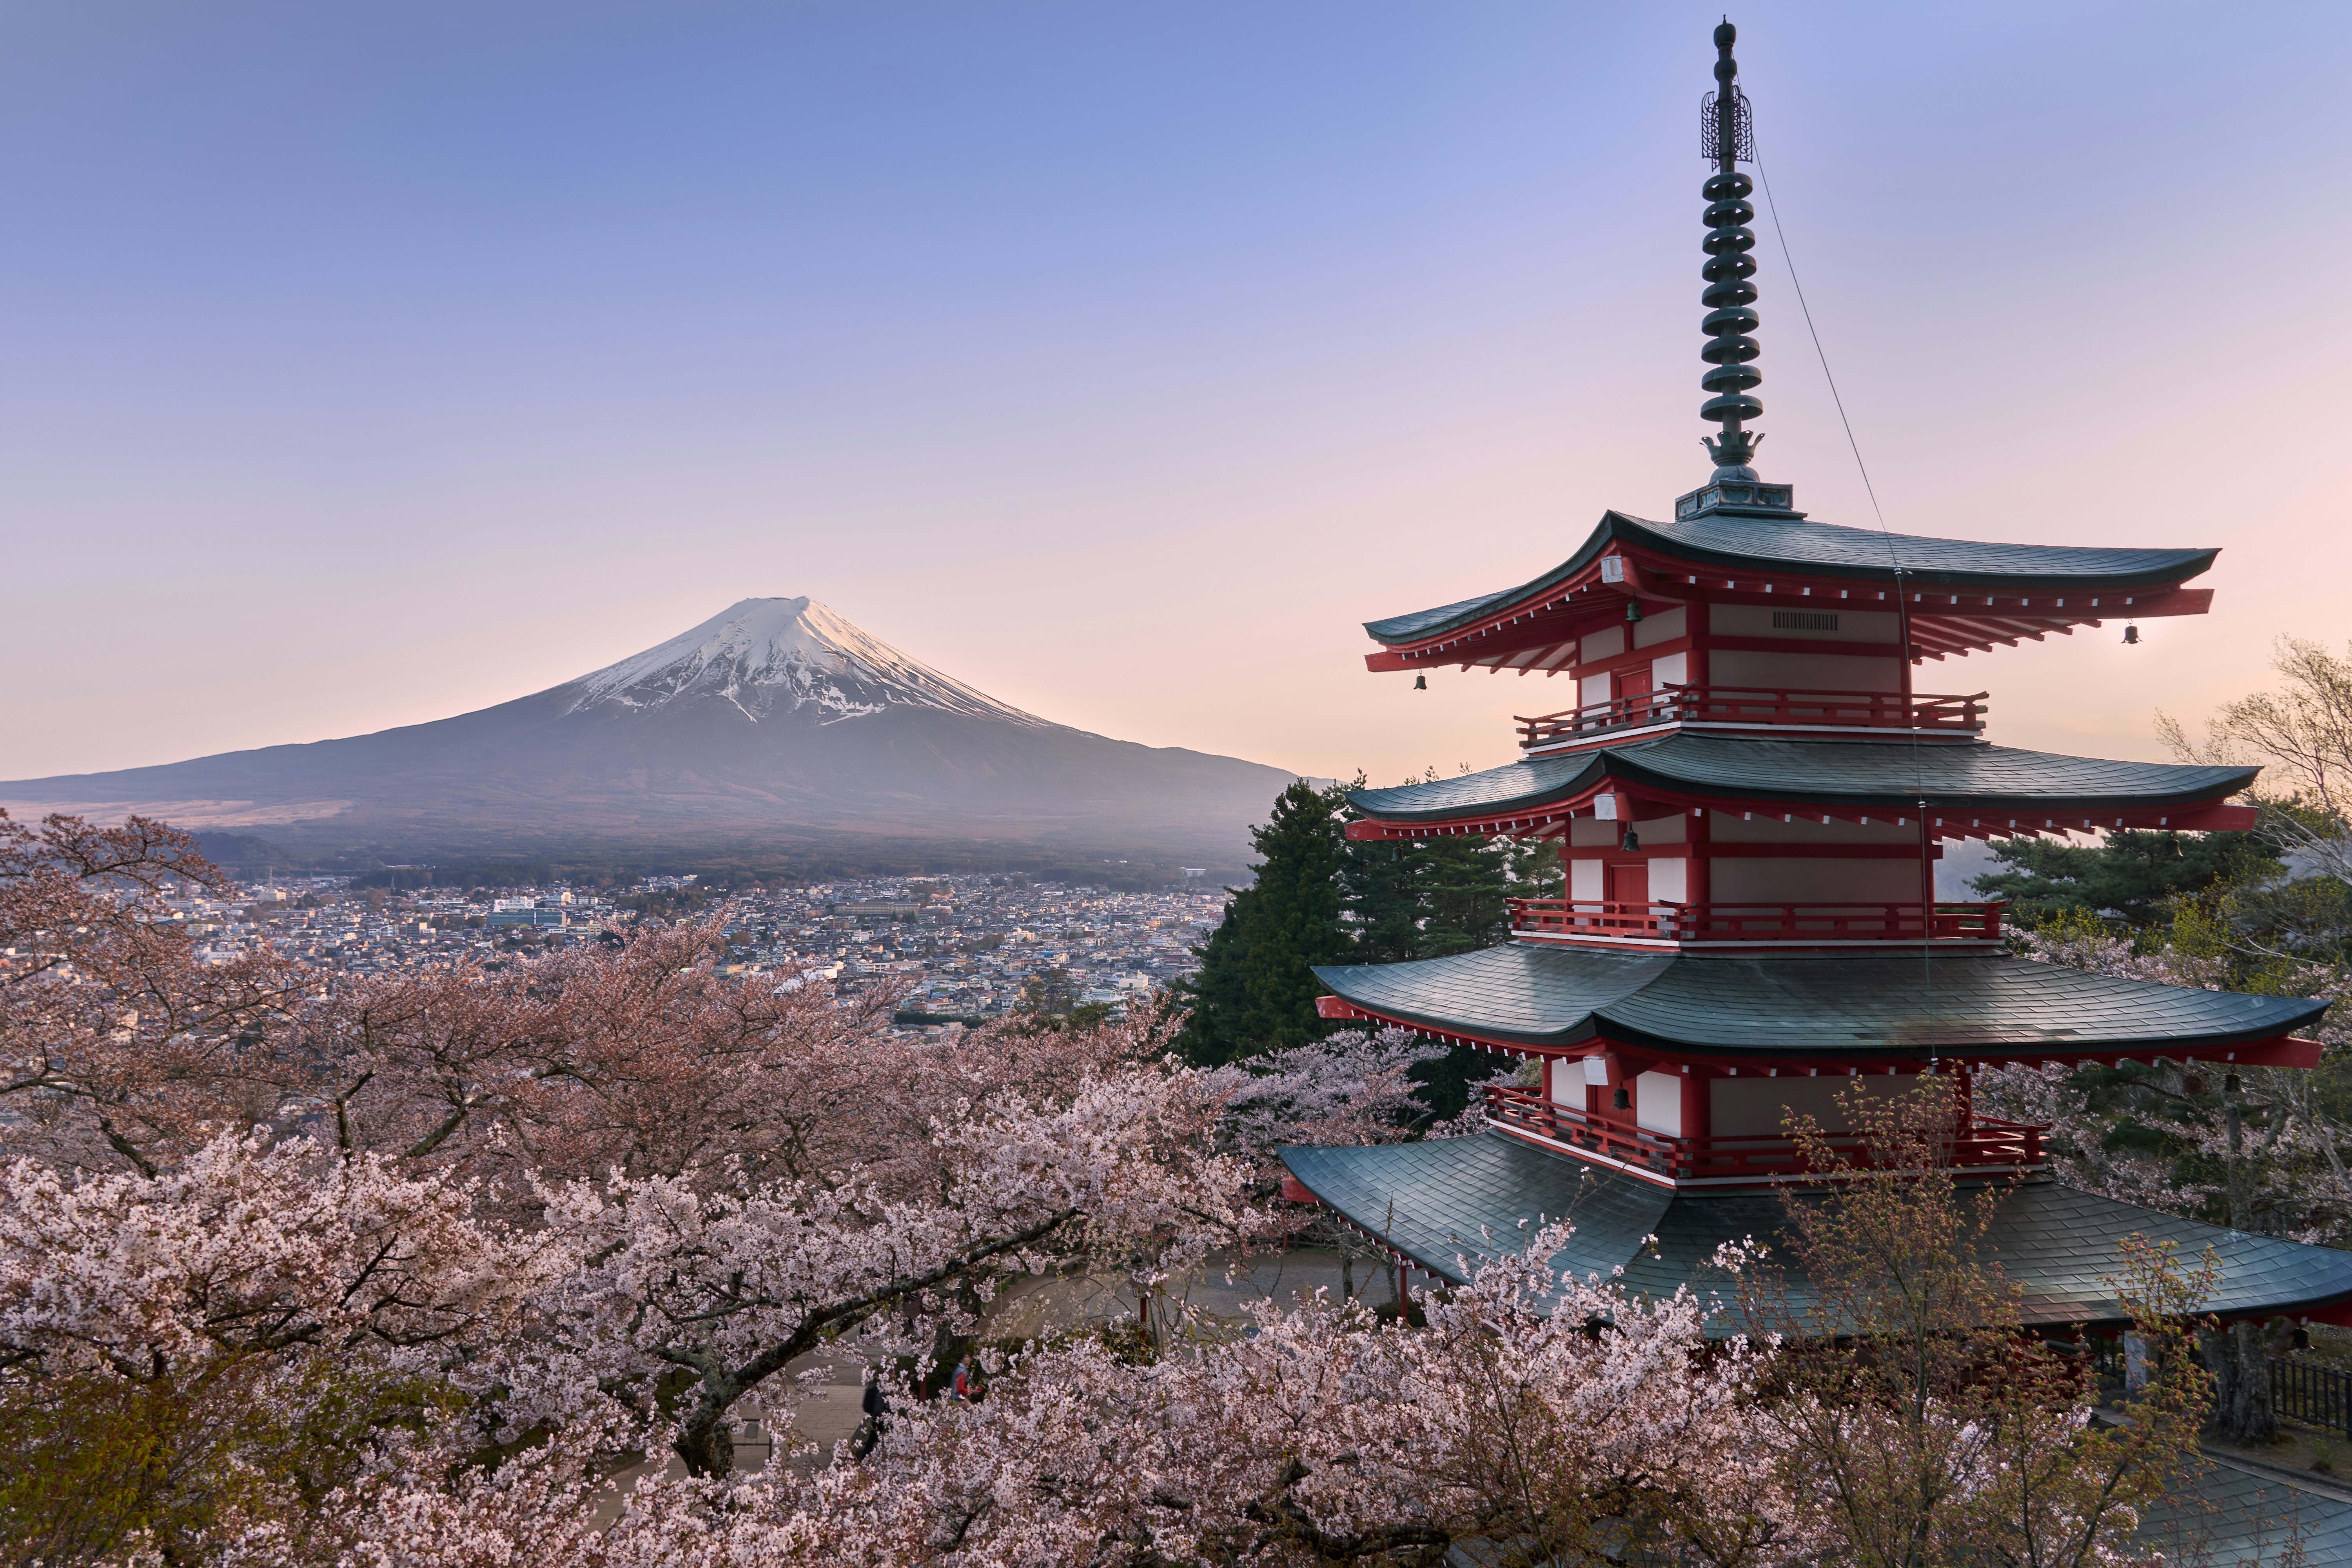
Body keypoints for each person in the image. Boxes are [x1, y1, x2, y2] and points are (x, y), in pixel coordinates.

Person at [851, 1373, 887, 1460]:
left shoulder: (873, 1387)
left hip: (875, 1416)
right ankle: (865, 1458)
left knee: (873, 1438)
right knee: (875, 1437)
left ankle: (864, 1458)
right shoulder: (886, 1389)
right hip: (883, 1416)